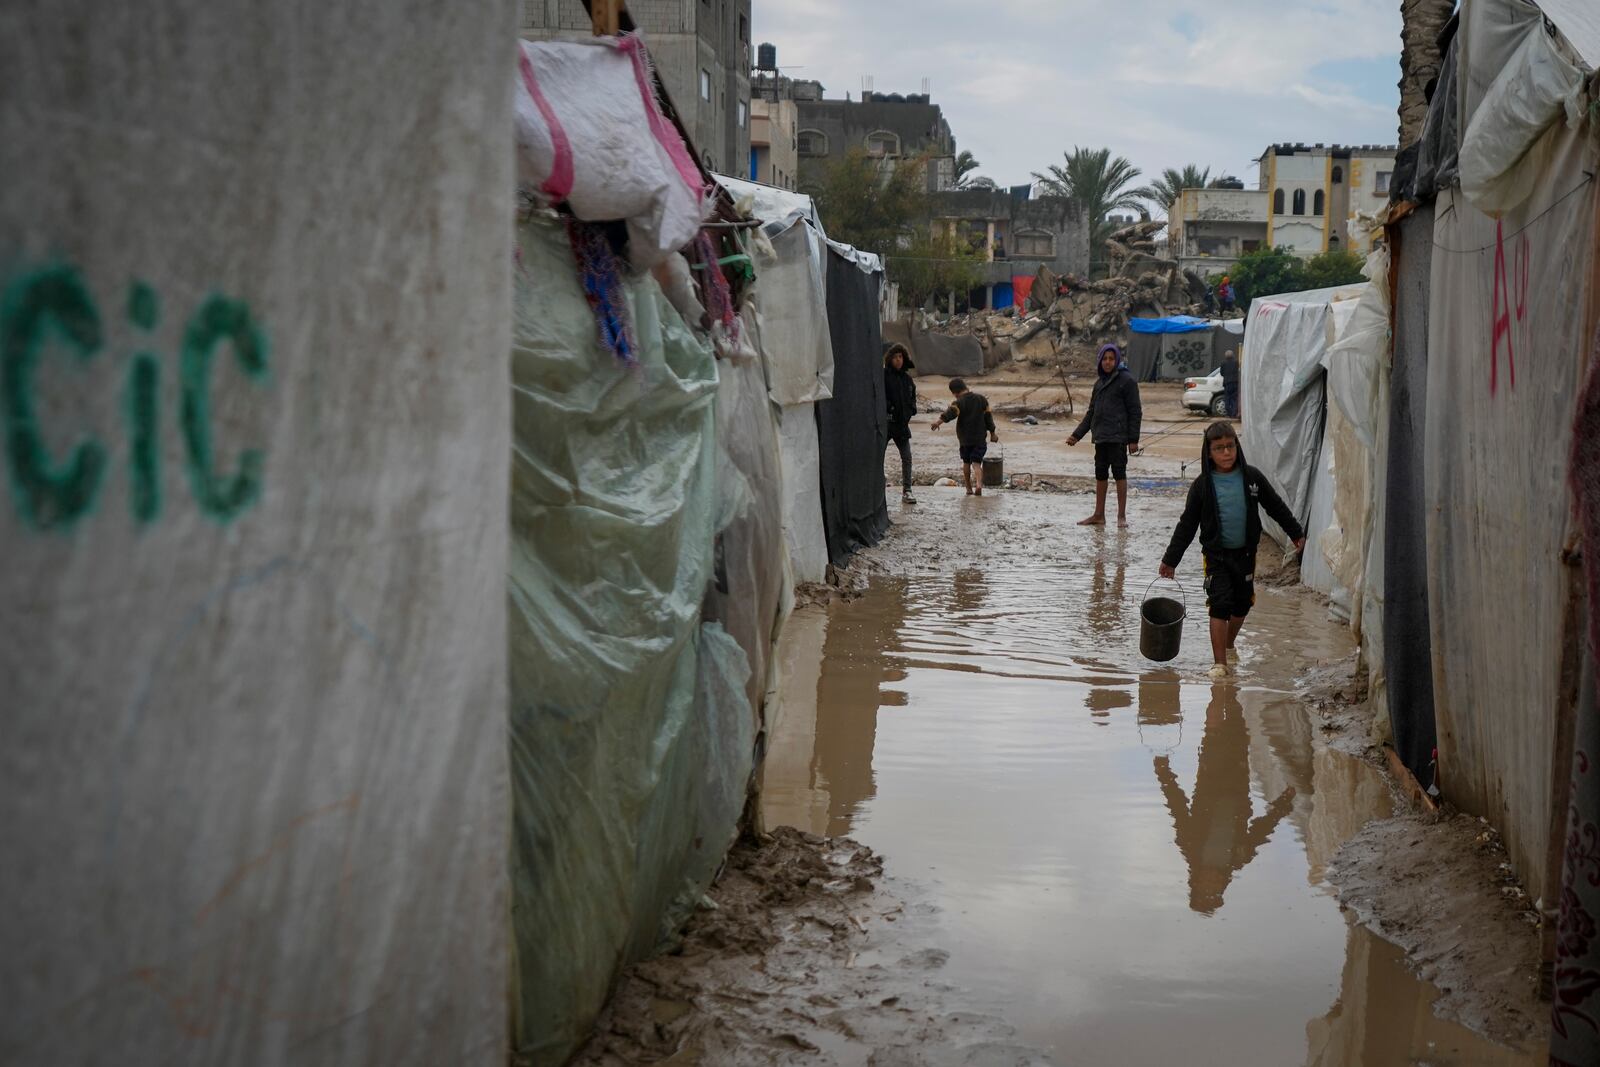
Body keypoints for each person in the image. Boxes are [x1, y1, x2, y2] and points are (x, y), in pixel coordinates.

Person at [1159, 421, 1305, 679]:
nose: (1226, 453)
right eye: (1219, 448)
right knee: (1219, 604)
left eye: (1230, 446)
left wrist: (1296, 534)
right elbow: (1187, 525)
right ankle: (1220, 663)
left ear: (1237, 446)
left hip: (1246, 555)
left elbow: (1275, 506)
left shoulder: (1252, 478)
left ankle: (1228, 643)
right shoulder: (1202, 486)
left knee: (1242, 604)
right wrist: (1171, 560)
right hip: (1215, 556)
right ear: (1209, 452)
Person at [1067, 343, 1143, 527]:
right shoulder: (1099, 383)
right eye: (1104, 359)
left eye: (1111, 359)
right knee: (1100, 474)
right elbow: (1091, 413)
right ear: (1100, 360)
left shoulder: (1127, 381)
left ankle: (1121, 517)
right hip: (1100, 437)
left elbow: (1135, 411)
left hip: (1118, 437)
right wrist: (1076, 435)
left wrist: (1133, 440)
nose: (1108, 362)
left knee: (1119, 474)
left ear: (1117, 360)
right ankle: (1098, 515)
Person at [931, 377, 998, 496]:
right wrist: (993, 433)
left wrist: (938, 422)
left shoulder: (958, 402)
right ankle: (978, 485)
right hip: (979, 438)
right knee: (976, 463)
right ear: (965, 387)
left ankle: (968, 488)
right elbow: (988, 418)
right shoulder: (981, 399)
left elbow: (950, 413)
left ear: (954, 393)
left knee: (966, 462)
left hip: (964, 439)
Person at [883, 344, 918, 504]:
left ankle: (907, 491)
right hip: (886, 424)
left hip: (902, 425)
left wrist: (912, 410)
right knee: (877, 457)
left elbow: (912, 397)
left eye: (901, 357)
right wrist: (888, 408)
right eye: (895, 357)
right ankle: (877, 486)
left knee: (907, 457)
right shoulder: (883, 376)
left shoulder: (907, 379)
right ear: (890, 359)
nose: (898, 360)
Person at [1220, 347, 1240, 420]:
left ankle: (1229, 413)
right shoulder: (1236, 362)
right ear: (1233, 355)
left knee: (1227, 399)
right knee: (1234, 399)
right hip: (1235, 383)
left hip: (1227, 383)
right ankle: (1234, 413)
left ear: (1225, 356)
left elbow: (1221, 373)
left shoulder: (1223, 363)